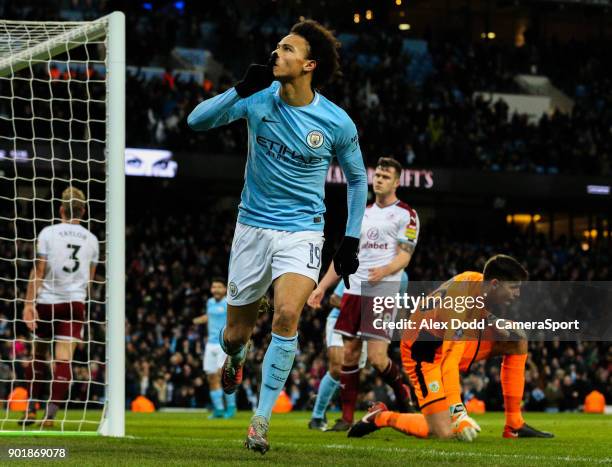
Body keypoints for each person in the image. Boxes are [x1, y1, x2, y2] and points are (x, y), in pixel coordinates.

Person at [187, 19, 367, 454]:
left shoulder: (335, 121)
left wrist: (351, 238)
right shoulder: (258, 99)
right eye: (277, 46)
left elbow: (358, 179)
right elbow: (196, 121)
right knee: (234, 334)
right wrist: (238, 89)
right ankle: (237, 354)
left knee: (287, 315)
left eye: (286, 49)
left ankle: (261, 420)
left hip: (303, 230)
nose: (276, 54)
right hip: (251, 228)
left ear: (309, 64)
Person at [348, 255, 554, 441]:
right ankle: (381, 417)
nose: (517, 294)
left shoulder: (477, 281)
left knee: (517, 337)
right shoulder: (458, 305)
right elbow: (450, 362)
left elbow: (476, 309)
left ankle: (514, 425)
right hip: (423, 354)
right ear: (495, 284)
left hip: (451, 341)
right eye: (513, 287)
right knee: (443, 432)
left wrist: (492, 320)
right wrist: (459, 413)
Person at [309, 157, 419, 431]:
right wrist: (321, 287)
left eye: (385, 176)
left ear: (396, 181)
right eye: (377, 174)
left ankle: (404, 399)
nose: (379, 179)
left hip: (381, 290)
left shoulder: (407, 214)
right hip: (354, 289)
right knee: (349, 355)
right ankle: (346, 418)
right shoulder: (361, 212)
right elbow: (344, 256)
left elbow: (405, 256)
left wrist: (384, 271)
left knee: (377, 358)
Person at [20, 187, 99, 427]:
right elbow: (90, 280)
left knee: (39, 356)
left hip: (47, 303)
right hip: (74, 304)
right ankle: (51, 414)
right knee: (63, 359)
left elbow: (40, 271)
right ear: (83, 211)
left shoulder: (48, 233)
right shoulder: (92, 240)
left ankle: (32, 407)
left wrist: (28, 304)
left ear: (61, 209)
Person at [307, 271, 409, 430]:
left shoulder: (402, 278)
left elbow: (398, 307)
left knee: (355, 371)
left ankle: (322, 400)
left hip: (369, 324)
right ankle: (317, 416)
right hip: (340, 318)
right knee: (336, 367)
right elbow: (335, 299)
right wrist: (360, 312)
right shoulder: (361, 269)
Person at [193, 278, 236, 419]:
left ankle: (231, 407)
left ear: (225, 289)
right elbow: (210, 316)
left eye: (219, 287)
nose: (216, 289)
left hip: (223, 343)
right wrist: (198, 320)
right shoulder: (210, 302)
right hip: (210, 344)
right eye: (214, 287)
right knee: (211, 377)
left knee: (221, 376)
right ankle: (218, 409)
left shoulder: (229, 303)